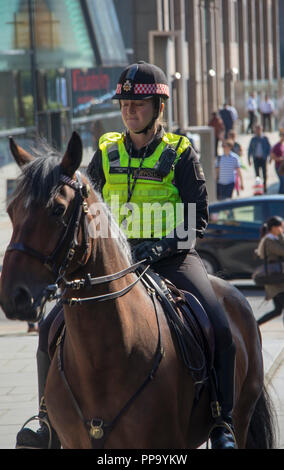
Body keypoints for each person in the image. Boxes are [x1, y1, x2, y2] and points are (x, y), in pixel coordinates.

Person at [16, 61, 236, 450]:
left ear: (158, 109)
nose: (129, 111)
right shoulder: (106, 150)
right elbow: (84, 206)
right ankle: (47, 419)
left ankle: (221, 420)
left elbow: (197, 216)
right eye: (124, 104)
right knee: (51, 327)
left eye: (137, 104)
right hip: (113, 263)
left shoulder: (181, 152)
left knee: (217, 322)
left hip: (171, 259)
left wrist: (163, 245)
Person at [255, 216, 284, 326]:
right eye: (280, 226)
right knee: (278, 310)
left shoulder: (274, 238)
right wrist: (282, 235)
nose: (282, 228)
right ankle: (254, 325)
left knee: (277, 310)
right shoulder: (269, 240)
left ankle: (255, 325)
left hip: (279, 278)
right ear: (273, 228)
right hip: (276, 279)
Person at [248, 124, 271, 193]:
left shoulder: (265, 138)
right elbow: (250, 149)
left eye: (259, 129)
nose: (258, 131)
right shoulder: (253, 139)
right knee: (257, 175)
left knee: (264, 174)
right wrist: (249, 159)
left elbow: (269, 148)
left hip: (263, 158)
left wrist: (270, 157)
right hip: (256, 159)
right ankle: (258, 188)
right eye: (257, 129)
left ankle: (265, 187)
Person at [227, 130, 244, 196]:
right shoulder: (227, 144)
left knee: (237, 177)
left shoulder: (237, 145)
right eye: (230, 136)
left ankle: (237, 190)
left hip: (236, 163)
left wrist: (239, 155)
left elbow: (241, 152)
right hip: (229, 163)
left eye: (233, 136)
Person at [270, 128, 284, 194]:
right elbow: (272, 156)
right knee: (282, 181)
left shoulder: (282, 145)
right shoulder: (276, 145)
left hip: (282, 166)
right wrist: (280, 159)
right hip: (278, 166)